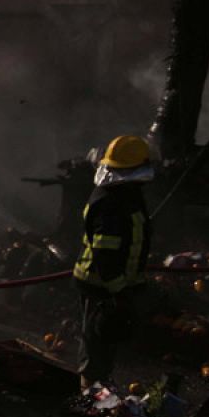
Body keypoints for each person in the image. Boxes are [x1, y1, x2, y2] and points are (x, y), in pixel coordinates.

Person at [74, 134, 155, 389]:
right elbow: (105, 255)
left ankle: (99, 393)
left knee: (105, 344)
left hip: (110, 285)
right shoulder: (111, 201)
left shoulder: (124, 194)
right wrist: (119, 292)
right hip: (100, 285)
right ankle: (88, 401)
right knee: (95, 350)